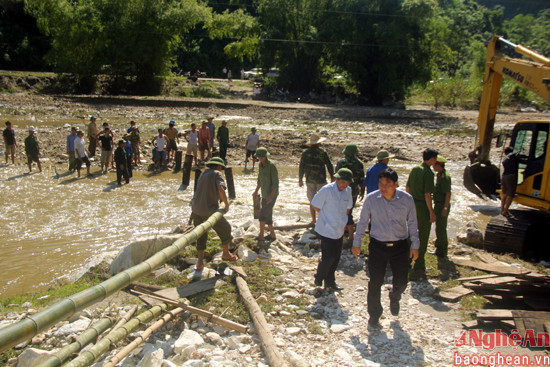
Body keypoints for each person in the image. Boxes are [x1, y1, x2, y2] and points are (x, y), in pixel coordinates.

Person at [352, 168, 420, 328]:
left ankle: (395, 296)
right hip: (377, 246)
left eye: (387, 184)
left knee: (402, 281)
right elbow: (362, 222)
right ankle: (374, 314)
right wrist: (356, 241)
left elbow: (412, 223)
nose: (383, 187)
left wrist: (415, 245)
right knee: (375, 281)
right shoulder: (371, 199)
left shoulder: (407, 199)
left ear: (396, 184)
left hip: (400, 246)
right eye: (381, 184)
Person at [191, 157, 237, 271]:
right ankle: (226, 253)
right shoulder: (217, 174)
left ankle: (200, 262)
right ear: (219, 167)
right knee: (226, 228)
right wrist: (226, 204)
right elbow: (221, 189)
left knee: (201, 235)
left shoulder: (203, 173)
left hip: (196, 210)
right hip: (209, 210)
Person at [312, 168, 353, 290]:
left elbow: (348, 207)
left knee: (336, 257)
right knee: (328, 257)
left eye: (347, 182)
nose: (344, 185)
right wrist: (325, 214)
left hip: (339, 229)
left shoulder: (348, 191)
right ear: (337, 179)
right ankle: (319, 277)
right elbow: (314, 204)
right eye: (342, 182)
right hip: (326, 228)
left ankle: (330, 282)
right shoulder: (327, 190)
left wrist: (344, 221)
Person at [406, 148, 438, 279]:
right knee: (423, 236)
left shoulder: (414, 169)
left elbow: (408, 188)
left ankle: (406, 260)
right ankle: (419, 264)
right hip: (423, 206)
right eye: (435, 159)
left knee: (410, 233)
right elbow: (427, 194)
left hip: (412, 204)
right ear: (431, 159)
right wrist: (431, 212)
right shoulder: (428, 173)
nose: (435, 161)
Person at [298, 133, 335, 225]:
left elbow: (301, 166)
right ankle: (324, 218)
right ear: (319, 143)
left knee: (312, 201)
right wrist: (332, 177)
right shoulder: (323, 152)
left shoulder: (305, 153)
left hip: (310, 180)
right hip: (321, 180)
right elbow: (329, 165)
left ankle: (313, 220)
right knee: (325, 200)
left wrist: (300, 179)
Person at [335, 144, 365, 240]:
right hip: (353, 190)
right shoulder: (359, 163)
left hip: (340, 189)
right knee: (349, 211)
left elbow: (337, 176)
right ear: (355, 153)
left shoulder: (341, 162)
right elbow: (361, 178)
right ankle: (351, 236)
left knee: (340, 211)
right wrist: (362, 191)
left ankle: (341, 234)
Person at [253, 148, 278, 241]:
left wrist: (271, 196)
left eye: (261, 157)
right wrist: (256, 191)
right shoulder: (260, 165)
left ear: (264, 157)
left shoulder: (271, 166)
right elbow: (260, 180)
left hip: (272, 194)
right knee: (268, 214)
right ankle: (272, 234)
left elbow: (276, 184)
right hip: (264, 193)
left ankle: (261, 235)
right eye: (259, 157)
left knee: (263, 215)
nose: (259, 159)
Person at [432, 155, 451, 257]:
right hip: (438, 204)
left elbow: (448, 193)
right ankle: (439, 248)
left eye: (434, 165)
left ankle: (442, 251)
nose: (433, 167)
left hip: (442, 205)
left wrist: (445, 208)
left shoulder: (445, 177)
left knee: (441, 228)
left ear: (439, 165)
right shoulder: (440, 175)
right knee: (438, 227)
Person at [500, 146, 526, 217]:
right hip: (511, 177)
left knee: (504, 195)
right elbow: (520, 155)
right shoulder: (513, 155)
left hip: (504, 177)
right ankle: (505, 211)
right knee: (511, 195)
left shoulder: (505, 159)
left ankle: (502, 210)